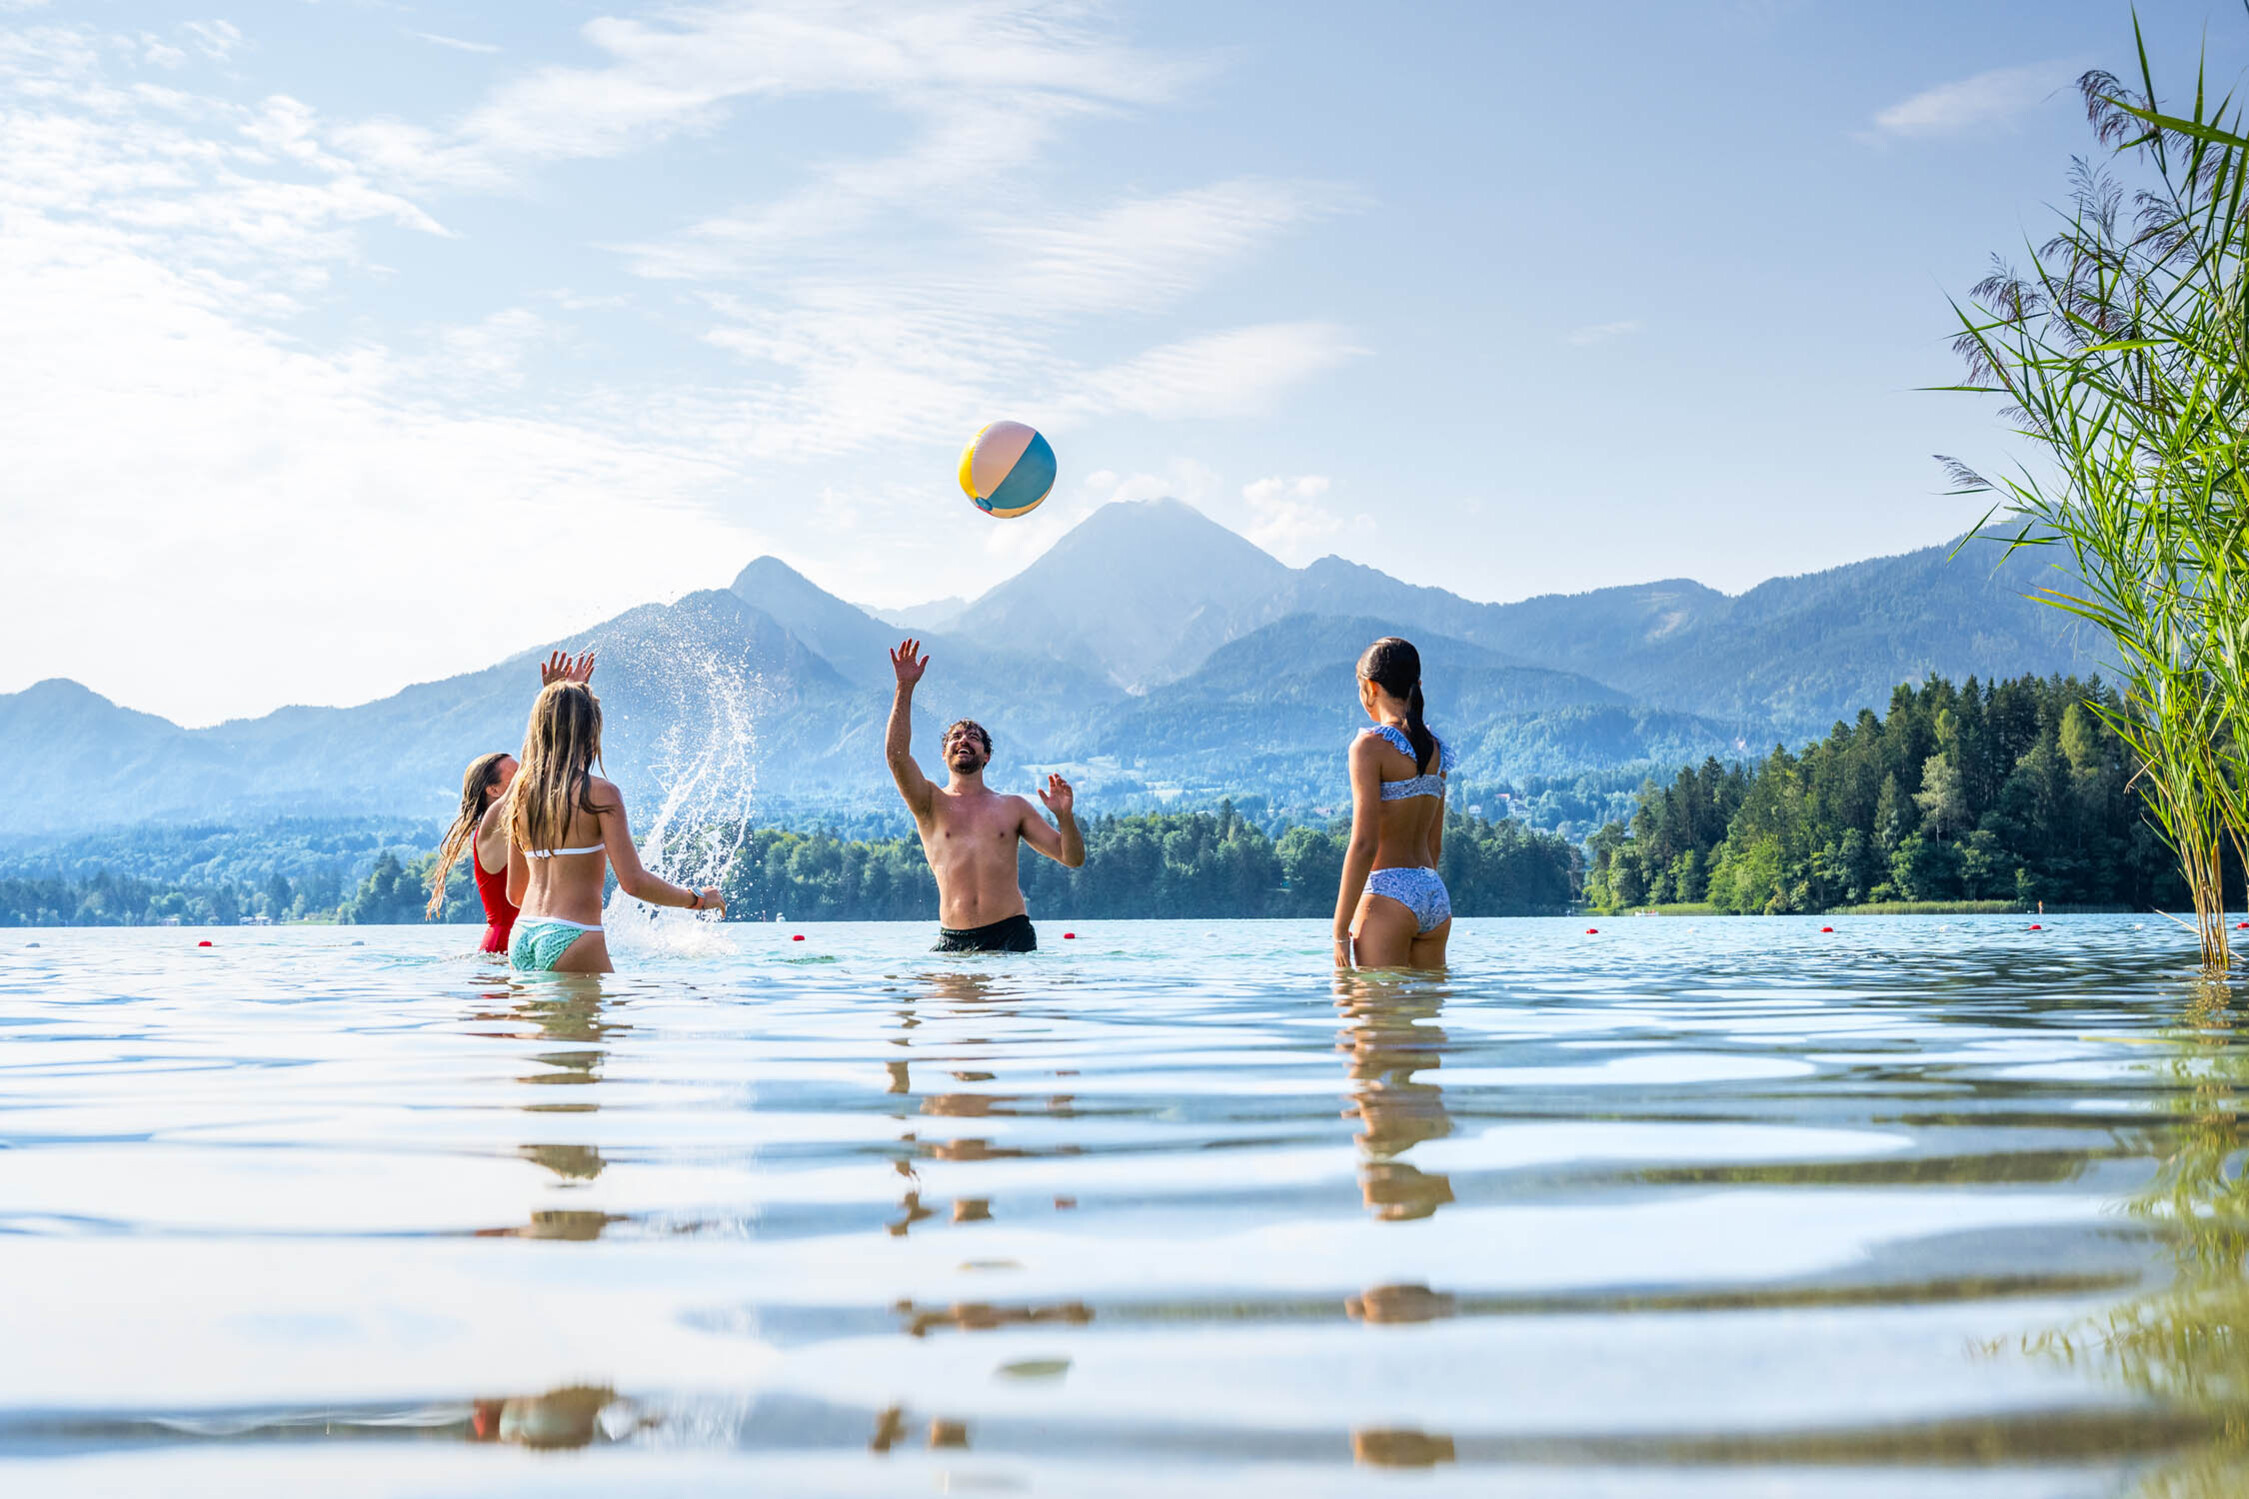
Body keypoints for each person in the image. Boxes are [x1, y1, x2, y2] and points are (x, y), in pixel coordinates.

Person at [505, 657, 724, 973]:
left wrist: (558, 696)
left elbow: (515, 894)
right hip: (573, 935)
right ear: (590, 730)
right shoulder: (600, 794)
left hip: (524, 937)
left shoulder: (521, 795)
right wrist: (697, 898)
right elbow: (633, 882)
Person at [885, 638, 1083, 952]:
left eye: (974, 737)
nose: (964, 740)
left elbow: (1071, 858)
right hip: (954, 941)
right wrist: (905, 687)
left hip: (1011, 936)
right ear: (944, 753)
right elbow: (896, 756)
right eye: (956, 736)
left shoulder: (1013, 807)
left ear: (986, 755)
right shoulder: (928, 803)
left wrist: (1065, 818)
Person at [1334, 636, 1454, 969]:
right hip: (1433, 894)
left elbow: (1363, 844)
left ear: (1370, 688)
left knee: (1370, 1019)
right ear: (1416, 685)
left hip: (1388, 894)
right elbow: (1435, 845)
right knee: (1426, 1016)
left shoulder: (1368, 747)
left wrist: (1339, 930)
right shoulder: (1436, 749)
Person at [428, 750, 519, 953]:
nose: (526, 777)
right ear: (494, 790)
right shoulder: (493, 828)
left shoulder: (513, 827)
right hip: (503, 944)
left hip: (515, 943)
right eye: (517, 775)